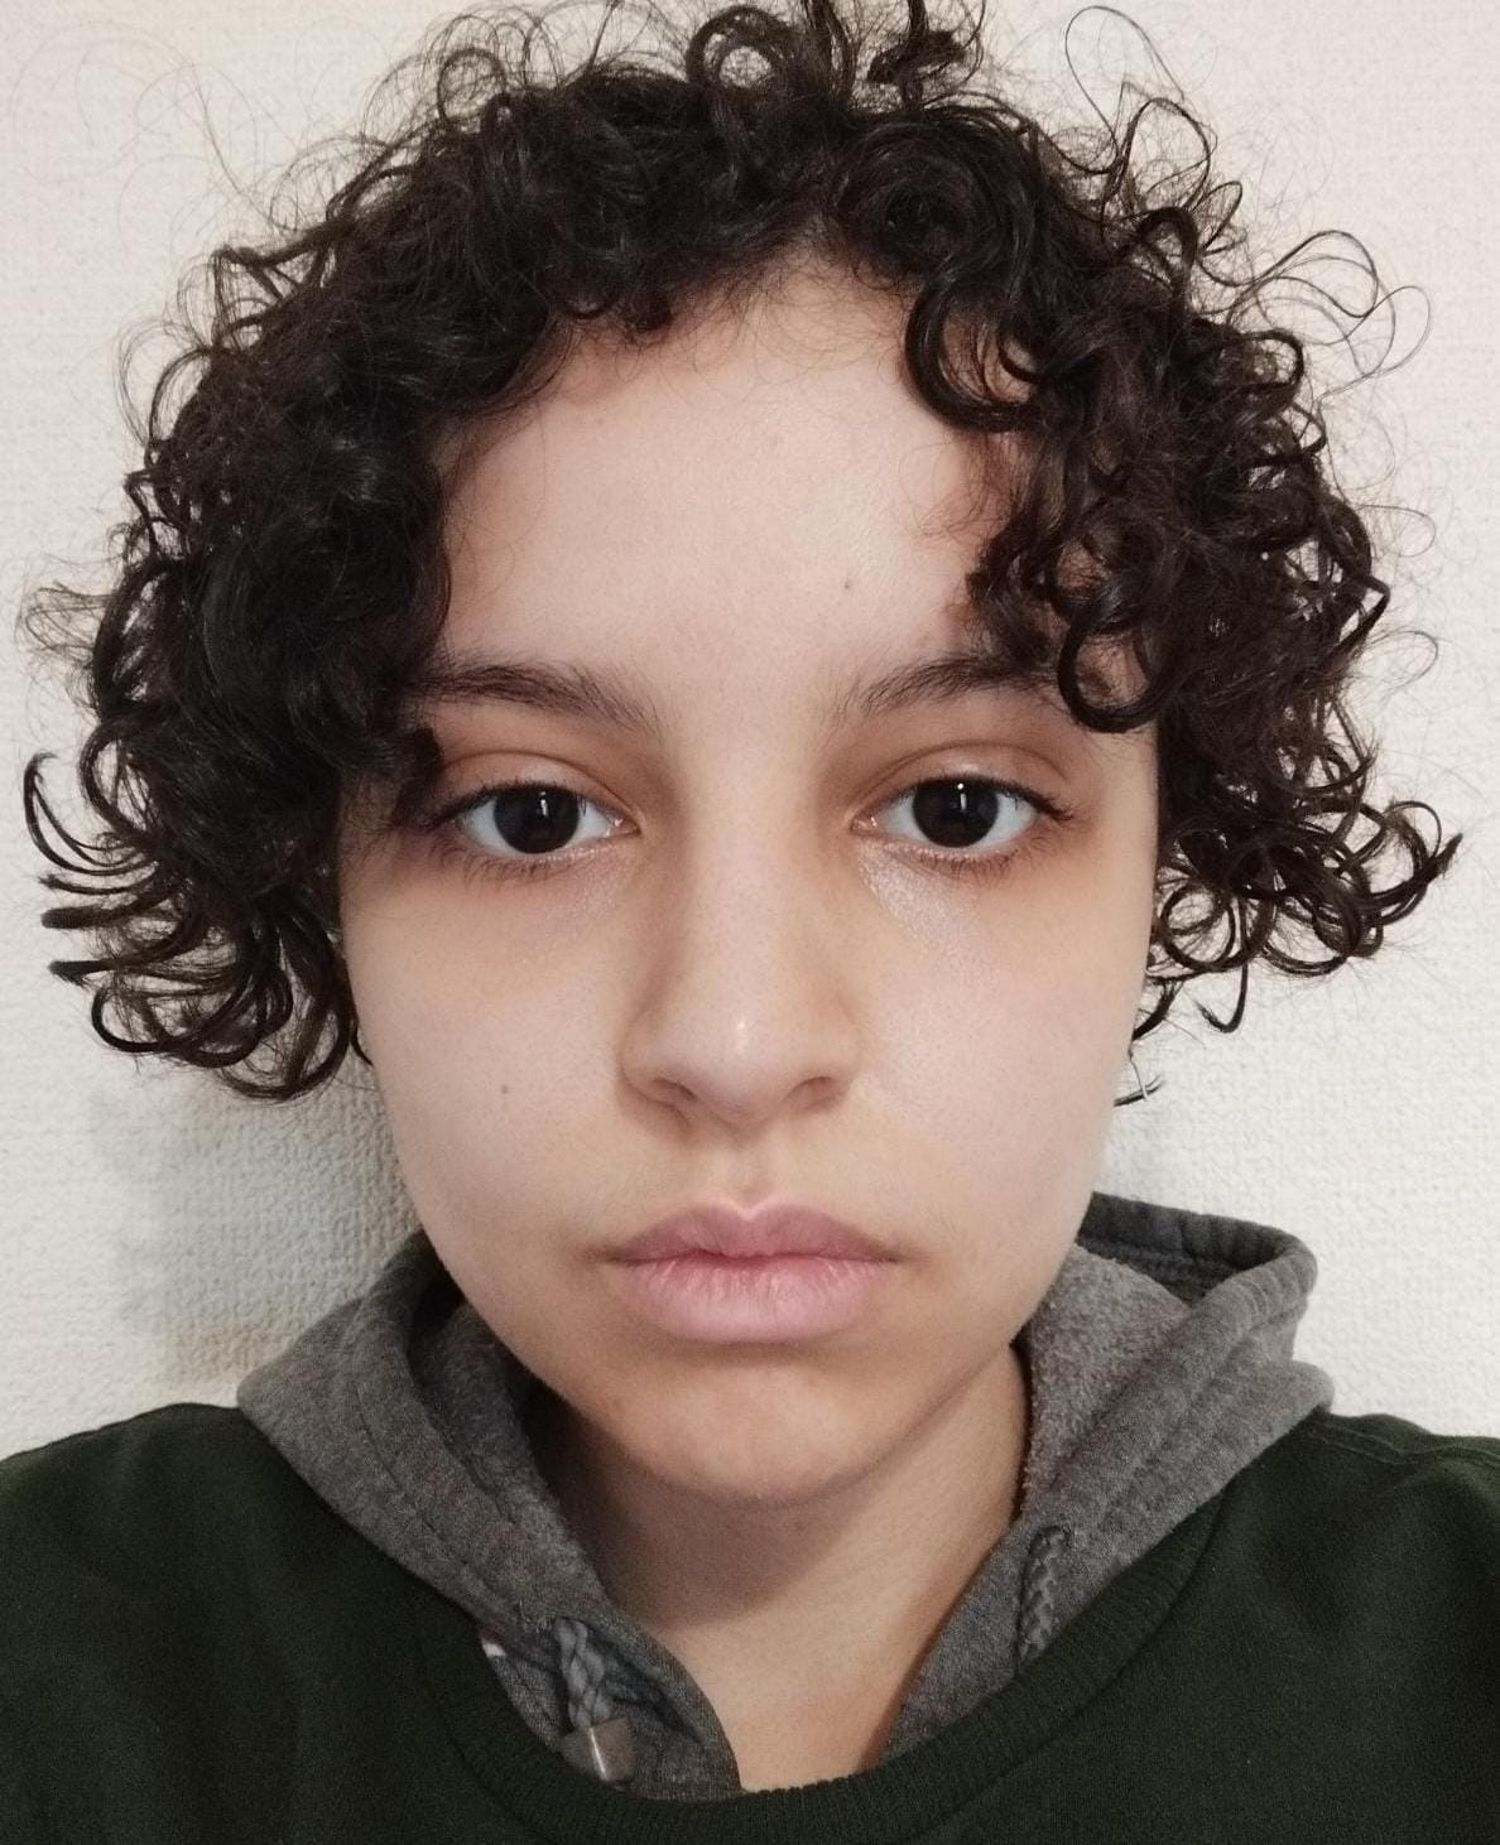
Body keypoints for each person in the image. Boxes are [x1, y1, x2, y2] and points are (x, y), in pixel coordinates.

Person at [5, 0, 1495, 1835]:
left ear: (1163, 860)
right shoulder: (63, 1672)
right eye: (532, 813)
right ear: (325, 879)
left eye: (956, 808)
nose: (735, 1041)